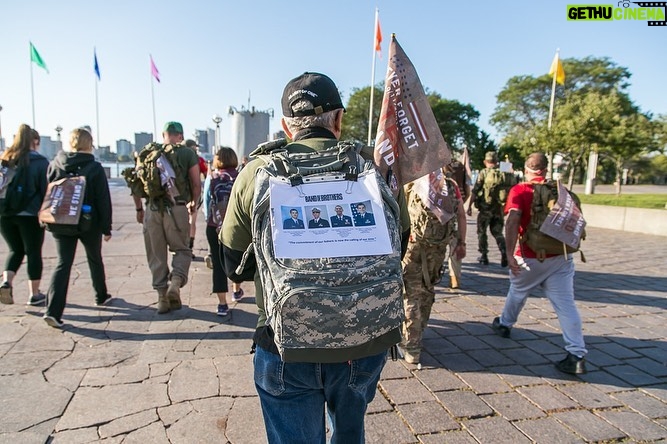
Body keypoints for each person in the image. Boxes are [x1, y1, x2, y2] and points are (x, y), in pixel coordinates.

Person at [220, 72, 410, 443]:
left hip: (285, 343)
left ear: (286, 127)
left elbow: (232, 265)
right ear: (338, 119)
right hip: (365, 338)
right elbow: (399, 245)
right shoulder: (373, 168)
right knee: (350, 433)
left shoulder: (256, 172)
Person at [491, 152, 587, 374]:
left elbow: (513, 220)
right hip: (561, 258)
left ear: (526, 169)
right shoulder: (562, 192)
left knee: (518, 291)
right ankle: (577, 354)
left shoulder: (521, 190)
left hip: (530, 256)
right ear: (545, 169)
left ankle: (505, 324)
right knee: (566, 305)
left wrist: (509, 253)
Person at [43, 128, 113, 328]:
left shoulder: (55, 164)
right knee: (94, 258)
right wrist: (106, 227)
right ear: (88, 144)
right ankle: (100, 295)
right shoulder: (94, 167)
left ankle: (52, 311)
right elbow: (103, 199)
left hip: (60, 220)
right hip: (87, 221)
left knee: (62, 263)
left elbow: (47, 190)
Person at [132, 122, 201, 314]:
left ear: (164, 134)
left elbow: (135, 185)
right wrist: (193, 203)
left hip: (152, 209)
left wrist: (139, 209)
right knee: (182, 249)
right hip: (177, 207)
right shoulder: (187, 153)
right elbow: (196, 184)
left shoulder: (147, 154)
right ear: (180, 135)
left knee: (156, 254)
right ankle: (176, 282)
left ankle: (162, 297)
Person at [401, 170, 466, 364]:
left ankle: (412, 346)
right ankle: (420, 330)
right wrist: (461, 243)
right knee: (427, 288)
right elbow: (461, 215)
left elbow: (399, 212)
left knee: (410, 293)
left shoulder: (412, 182)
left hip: (413, 246)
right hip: (438, 247)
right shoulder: (451, 186)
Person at [0, 124, 49, 306]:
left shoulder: (5, 159)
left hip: (4, 213)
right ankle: (34, 294)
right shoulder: (40, 162)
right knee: (33, 252)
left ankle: (6, 282)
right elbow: (46, 190)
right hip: (29, 214)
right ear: (34, 141)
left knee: (15, 250)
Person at [202, 147, 243, 316]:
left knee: (218, 264)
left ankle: (222, 304)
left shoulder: (211, 177)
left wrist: (212, 221)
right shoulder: (241, 176)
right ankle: (236, 290)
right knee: (237, 258)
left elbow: (206, 204)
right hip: (236, 226)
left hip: (214, 227)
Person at [467, 151, 512, 267]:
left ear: (485, 162)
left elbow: (475, 190)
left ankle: (484, 255)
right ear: (497, 162)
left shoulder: (484, 173)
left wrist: (469, 206)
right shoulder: (505, 172)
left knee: (482, 232)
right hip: (499, 208)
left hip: (485, 209)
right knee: (497, 232)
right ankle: (504, 252)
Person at [446, 159, 470, 289]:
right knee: (455, 247)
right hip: (450, 223)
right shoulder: (452, 183)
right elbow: (461, 215)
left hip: (427, 232)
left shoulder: (422, 181)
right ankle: (455, 278)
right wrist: (463, 242)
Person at [185, 139, 207, 259]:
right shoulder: (199, 160)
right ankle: (189, 247)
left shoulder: (176, 157)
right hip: (193, 194)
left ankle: (181, 248)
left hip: (177, 195)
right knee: (191, 221)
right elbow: (206, 176)